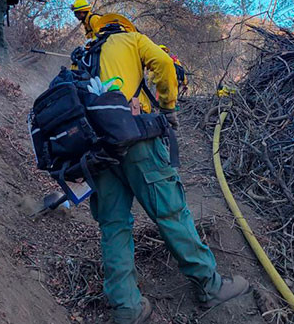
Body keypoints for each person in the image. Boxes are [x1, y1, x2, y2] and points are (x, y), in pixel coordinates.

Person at [83, 20, 249, 323]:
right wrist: (168, 108)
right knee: (171, 213)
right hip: (136, 140)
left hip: (98, 152)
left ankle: (127, 308)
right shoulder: (131, 39)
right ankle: (209, 286)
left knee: (113, 226)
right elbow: (163, 63)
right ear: (123, 27)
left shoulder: (82, 55)